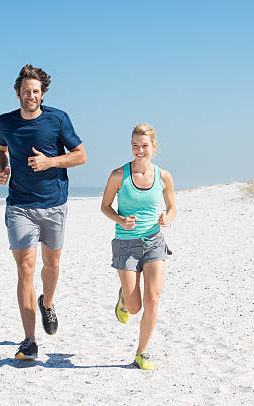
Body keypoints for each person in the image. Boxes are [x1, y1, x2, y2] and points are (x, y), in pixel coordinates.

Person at [0, 64, 87, 360]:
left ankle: (47, 303)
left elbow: (81, 156)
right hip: (20, 206)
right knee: (24, 270)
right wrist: (3, 168)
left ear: (42, 93)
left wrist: (50, 162)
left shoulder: (58, 119)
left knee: (52, 265)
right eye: (25, 91)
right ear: (18, 93)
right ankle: (29, 340)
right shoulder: (5, 122)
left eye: (35, 91)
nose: (30, 96)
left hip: (54, 205)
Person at [100, 123, 176, 370]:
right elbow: (105, 206)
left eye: (144, 146)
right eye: (135, 145)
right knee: (135, 307)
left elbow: (172, 207)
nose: (139, 150)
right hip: (126, 243)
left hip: (154, 241)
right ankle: (124, 298)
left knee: (153, 299)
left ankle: (141, 352)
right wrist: (120, 219)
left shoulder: (164, 176)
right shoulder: (118, 175)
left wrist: (168, 218)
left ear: (155, 147)